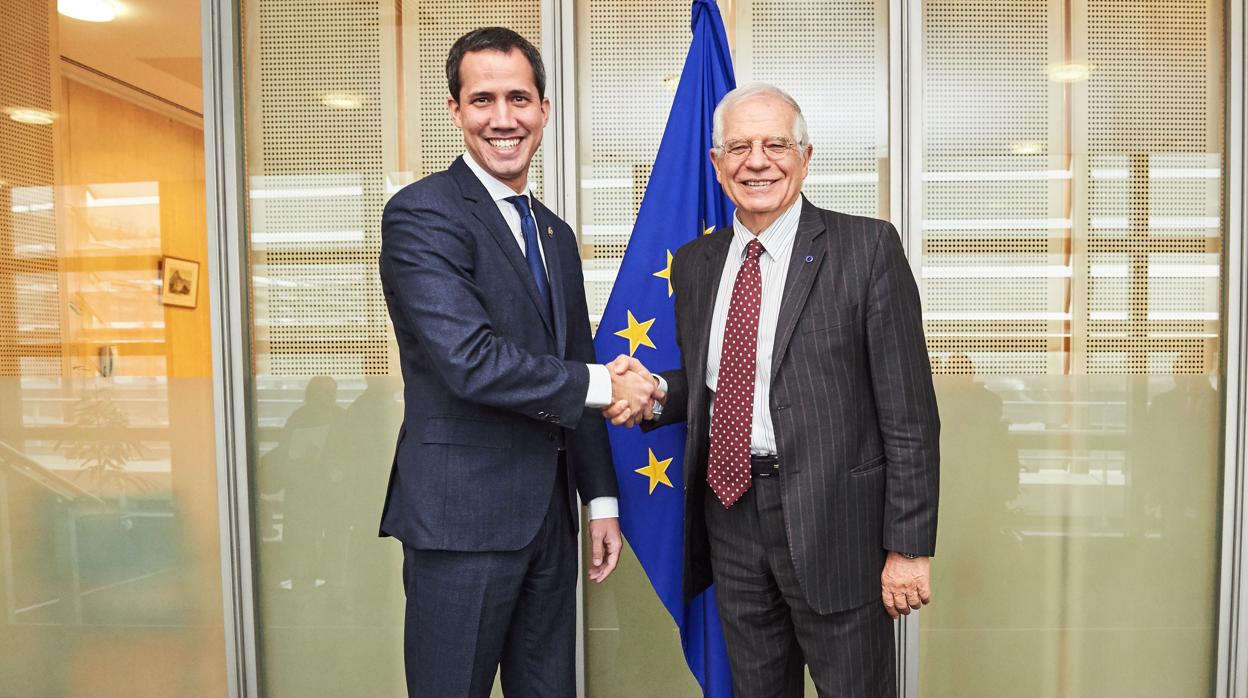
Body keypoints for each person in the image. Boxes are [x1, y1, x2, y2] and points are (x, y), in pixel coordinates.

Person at [609, 83, 941, 697]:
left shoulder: (866, 249)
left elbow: (910, 415)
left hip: (836, 527)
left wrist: (910, 548)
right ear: (716, 164)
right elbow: (725, 381)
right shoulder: (695, 262)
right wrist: (657, 390)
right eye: (738, 146)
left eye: (774, 145)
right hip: (730, 522)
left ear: (805, 156)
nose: (756, 161)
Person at [378, 27, 655, 697]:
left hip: (549, 527)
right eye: (482, 100)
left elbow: (575, 359)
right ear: (455, 111)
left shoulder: (552, 231)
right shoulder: (421, 214)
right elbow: (468, 359)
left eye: (519, 98)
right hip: (461, 525)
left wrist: (602, 499)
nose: (503, 119)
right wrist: (603, 383)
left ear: (544, 110)